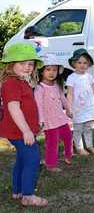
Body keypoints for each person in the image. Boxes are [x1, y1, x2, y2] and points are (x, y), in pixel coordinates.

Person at [0, 43, 48, 207]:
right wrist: (27, 131)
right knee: (33, 159)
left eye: (30, 64)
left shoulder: (20, 81)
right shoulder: (12, 83)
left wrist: (34, 126)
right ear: (10, 64)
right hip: (19, 131)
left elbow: (27, 107)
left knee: (22, 159)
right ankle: (27, 195)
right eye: (22, 63)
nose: (27, 67)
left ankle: (17, 190)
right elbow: (13, 108)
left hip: (23, 130)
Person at [66, 48, 94, 155]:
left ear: (88, 64)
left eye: (85, 63)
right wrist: (69, 108)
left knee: (89, 128)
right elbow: (70, 94)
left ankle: (89, 145)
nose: (82, 65)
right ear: (74, 63)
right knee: (78, 129)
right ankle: (79, 147)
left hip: (89, 108)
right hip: (78, 109)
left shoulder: (89, 77)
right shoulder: (72, 78)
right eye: (79, 62)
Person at [34, 55, 72, 172]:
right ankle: (50, 164)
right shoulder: (40, 88)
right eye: (48, 69)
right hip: (49, 120)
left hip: (60, 117)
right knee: (52, 142)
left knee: (68, 136)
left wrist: (69, 110)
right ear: (41, 71)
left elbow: (63, 98)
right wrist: (40, 120)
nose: (52, 73)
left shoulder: (57, 85)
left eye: (54, 70)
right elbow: (38, 105)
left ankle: (68, 155)